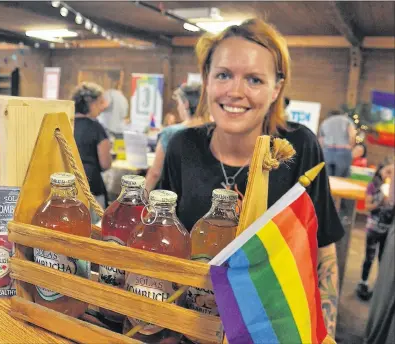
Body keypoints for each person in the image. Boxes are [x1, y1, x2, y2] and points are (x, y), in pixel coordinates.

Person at [158, 18, 344, 337]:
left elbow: (323, 252)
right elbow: (161, 244)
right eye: (224, 75)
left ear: (277, 89)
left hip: (269, 332)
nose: (235, 92)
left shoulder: (299, 148)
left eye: (255, 80)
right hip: (189, 328)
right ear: (206, 80)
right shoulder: (181, 147)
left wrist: (323, 331)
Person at [145, 83, 205, 192]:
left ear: (186, 104)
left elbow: (155, 173)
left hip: (172, 196)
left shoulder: (170, 133)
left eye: (179, 103)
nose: (178, 107)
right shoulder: (213, 131)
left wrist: (141, 198)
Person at [72, 82, 112, 223]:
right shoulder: (96, 128)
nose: (102, 108)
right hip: (92, 187)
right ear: (91, 103)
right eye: (100, 103)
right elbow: (105, 163)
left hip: (69, 186)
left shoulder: (66, 124)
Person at [356, 160, 394, 300]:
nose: (389, 175)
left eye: (392, 172)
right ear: (380, 171)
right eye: (387, 171)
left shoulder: (392, 189)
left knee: (382, 259)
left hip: (387, 231)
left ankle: (379, 287)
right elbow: (367, 206)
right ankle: (363, 282)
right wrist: (380, 202)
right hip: (373, 228)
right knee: (369, 257)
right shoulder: (373, 186)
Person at [318, 110, 357, 177]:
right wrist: (351, 146)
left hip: (327, 151)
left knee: (327, 177)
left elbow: (321, 140)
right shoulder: (346, 120)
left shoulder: (325, 122)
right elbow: (352, 135)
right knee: (341, 179)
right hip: (343, 151)